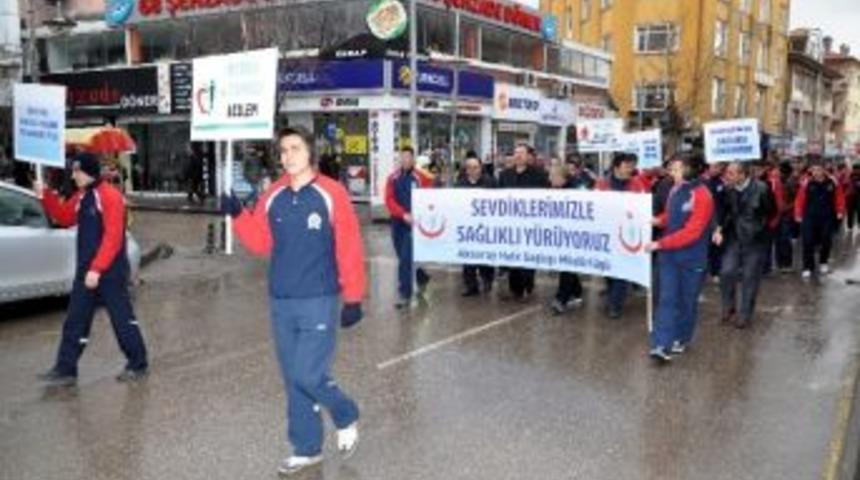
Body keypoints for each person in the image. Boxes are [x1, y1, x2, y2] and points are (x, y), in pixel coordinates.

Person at [221, 127, 364, 476]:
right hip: (282, 300)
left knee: (308, 373)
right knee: (293, 379)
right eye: (283, 150)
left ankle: (345, 413)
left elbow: (349, 246)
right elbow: (260, 243)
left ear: (310, 152)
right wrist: (237, 214)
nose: (288, 155)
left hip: (319, 298)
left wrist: (353, 297)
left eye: (295, 148)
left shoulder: (332, 194)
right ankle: (306, 448)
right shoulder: (273, 195)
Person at [35, 152, 149, 386]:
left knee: (122, 320)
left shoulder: (110, 196)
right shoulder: (81, 196)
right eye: (73, 171)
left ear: (88, 172)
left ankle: (138, 364)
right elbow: (64, 217)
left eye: (77, 171)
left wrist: (97, 269)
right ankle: (66, 370)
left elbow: (113, 237)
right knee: (75, 319)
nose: (73, 175)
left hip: (110, 272)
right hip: (86, 271)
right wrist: (44, 195)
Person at [646, 155, 714, 362]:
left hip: (692, 257)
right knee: (667, 298)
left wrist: (659, 244)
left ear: (689, 170)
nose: (671, 173)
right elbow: (670, 215)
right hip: (669, 256)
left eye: (675, 169)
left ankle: (681, 338)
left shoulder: (703, 196)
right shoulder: (675, 189)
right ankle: (661, 344)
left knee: (687, 301)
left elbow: (692, 232)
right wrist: (658, 221)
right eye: (671, 169)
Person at [713, 162, 775, 329]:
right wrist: (718, 229)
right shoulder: (728, 189)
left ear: (743, 175)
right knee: (726, 272)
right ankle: (729, 307)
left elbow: (772, 212)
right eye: (727, 173)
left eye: (732, 173)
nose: (728, 176)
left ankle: (745, 314)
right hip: (733, 237)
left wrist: (759, 228)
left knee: (750, 277)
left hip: (755, 240)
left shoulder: (762, 188)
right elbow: (724, 212)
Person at [596, 153, 647, 318]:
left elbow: (642, 206)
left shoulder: (637, 184)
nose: (631, 169)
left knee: (623, 270)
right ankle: (613, 294)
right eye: (627, 166)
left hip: (628, 234)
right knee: (610, 269)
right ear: (616, 166)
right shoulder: (602, 183)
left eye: (632, 166)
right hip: (607, 232)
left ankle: (615, 304)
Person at [498, 143, 549, 300]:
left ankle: (528, 286)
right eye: (516, 153)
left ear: (528, 156)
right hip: (511, 224)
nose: (518, 156)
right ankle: (515, 289)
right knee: (512, 257)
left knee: (527, 258)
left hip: (531, 224)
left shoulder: (539, 175)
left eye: (522, 153)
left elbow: (546, 198)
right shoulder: (505, 175)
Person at [386, 146, 434, 309]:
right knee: (402, 257)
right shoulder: (393, 177)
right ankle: (421, 275)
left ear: (413, 159)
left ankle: (404, 294)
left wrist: (418, 215)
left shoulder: (421, 177)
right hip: (398, 223)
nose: (405, 160)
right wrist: (402, 214)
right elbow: (389, 200)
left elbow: (430, 198)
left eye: (408, 157)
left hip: (413, 225)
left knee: (406, 258)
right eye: (403, 157)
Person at [795, 161, 846, 278]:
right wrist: (798, 214)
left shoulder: (832, 182)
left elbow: (839, 197)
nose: (816, 172)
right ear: (811, 171)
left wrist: (840, 211)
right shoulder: (806, 182)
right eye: (814, 170)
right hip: (809, 217)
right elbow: (800, 199)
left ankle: (823, 262)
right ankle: (808, 266)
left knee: (826, 240)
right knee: (807, 241)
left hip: (827, 217)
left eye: (819, 169)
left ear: (824, 169)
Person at [457, 154, 496, 296]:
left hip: (485, 227)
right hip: (467, 228)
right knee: (468, 258)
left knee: (485, 257)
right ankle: (471, 286)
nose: (473, 170)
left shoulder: (490, 183)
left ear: (480, 168)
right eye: (470, 168)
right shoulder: (460, 184)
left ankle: (487, 279)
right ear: (466, 170)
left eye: (476, 167)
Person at [548, 164, 585, 315]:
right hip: (559, 233)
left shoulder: (577, 189)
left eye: (552, 176)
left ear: (562, 178)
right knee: (566, 265)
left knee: (567, 265)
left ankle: (561, 298)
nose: (549, 179)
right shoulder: (553, 190)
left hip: (573, 235)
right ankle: (576, 291)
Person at [775, 161, 799, 271]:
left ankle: (787, 264)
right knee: (779, 239)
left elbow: (797, 199)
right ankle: (780, 263)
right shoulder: (779, 181)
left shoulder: (791, 182)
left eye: (779, 170)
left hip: (787, 215)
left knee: (784, 239)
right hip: (778, 214)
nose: (777, 172)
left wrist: (787, 207)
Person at [849, 163, 860, 232]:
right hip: (851, 196)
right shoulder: (850, 175)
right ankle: (850, 226)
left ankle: (854, 226)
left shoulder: (850, 175)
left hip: (855, 196)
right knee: (851, 211)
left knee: (857, 211)